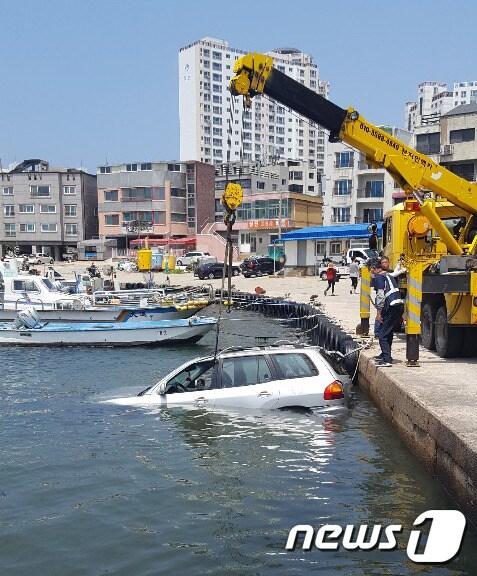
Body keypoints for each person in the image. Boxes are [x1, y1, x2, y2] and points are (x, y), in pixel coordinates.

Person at [369, 259, 404, 367]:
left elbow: (380, 296)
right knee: (388, 332)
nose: (370, 273)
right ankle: (386, 355)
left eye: (370, 271)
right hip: (399, 306)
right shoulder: (388, 275)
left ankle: (387, 360)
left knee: (382, 335)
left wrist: (378, 313)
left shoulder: (379, 277)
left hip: (392, 306)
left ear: (374, 269)